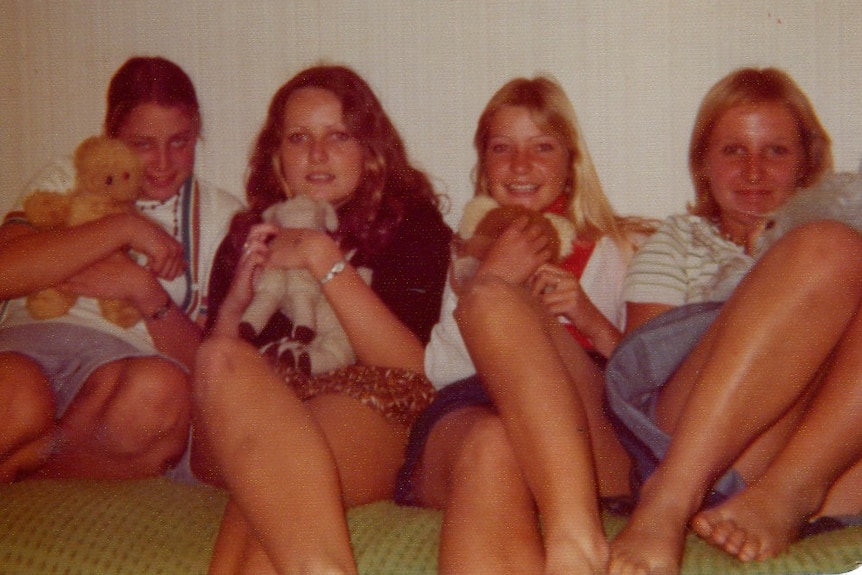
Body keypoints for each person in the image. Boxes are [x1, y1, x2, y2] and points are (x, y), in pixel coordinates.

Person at [191, 65, 452, 574]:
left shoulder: (415, 227)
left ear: (369, 149)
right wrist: (235, 303)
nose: (316, 154)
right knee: (222, 355)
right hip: (255, 419)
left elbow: (412, 371)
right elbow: (213, 386)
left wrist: (318, 255)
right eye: (298, 138)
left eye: (338, 136)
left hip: (369, 411)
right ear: (276, 154)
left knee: (267, 495)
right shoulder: (248, 236)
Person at [605, 67, 862, 575]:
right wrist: (767, 280)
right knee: (827, 249)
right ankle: (671, 498)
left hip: (819, 448)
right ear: (704, 163)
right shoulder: (678, 240)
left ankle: (791, 490)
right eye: (733, 151)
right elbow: (644, 366)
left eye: (775, 151)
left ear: (806, 163)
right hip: (697, 444)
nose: (753, 172)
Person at [395, 76, 654, 574]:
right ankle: (575, 548)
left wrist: (585, 315)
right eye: (501, 149)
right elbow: (442, 370)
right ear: (483, 165)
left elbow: (647, 387)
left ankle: (577, 537)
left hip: (583, 430)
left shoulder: (616, 249)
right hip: (469, 412)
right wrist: (489, 274)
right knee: (493, 442)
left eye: (542, 147)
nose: (520, 165)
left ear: (570, 164)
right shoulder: (464, 251)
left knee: (494, 303)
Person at [0, 56, 241, 482]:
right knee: (18, 400)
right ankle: (43, 454)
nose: (163, 163)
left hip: (122, 372)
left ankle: (31, 463)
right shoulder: (66, 176)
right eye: (143, 144)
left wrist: (142, 289)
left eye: (180, 141)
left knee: (163, 396)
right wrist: (123, 228)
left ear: (197, 130)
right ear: (111, 135)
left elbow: (210, 365)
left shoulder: (222, 217)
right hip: (27, 350)